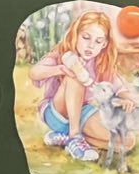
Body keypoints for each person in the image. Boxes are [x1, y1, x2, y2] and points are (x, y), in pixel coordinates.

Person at [28, 9, 133, 164]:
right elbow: (34, 73)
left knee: (127, 141)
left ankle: (67, 139)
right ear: (75, 34)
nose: (91, 45)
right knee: (75, 77)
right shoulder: (62, 55)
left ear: (104, 44)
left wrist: (126, 99)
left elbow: (121, 88)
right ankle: (75, 136)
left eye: (98, 41)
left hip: (83, 113)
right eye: (86, 37)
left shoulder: (101, 65)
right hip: (57, 113)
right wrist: (61, 69)